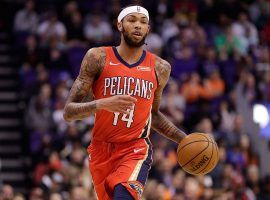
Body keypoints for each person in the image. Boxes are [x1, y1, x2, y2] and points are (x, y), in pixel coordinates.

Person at [63, 5, 186, 200]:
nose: (138, 25)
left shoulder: (160, 67)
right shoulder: (97, 57)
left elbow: (152, 116)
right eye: (132, 20)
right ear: (119, 25)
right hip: (100, 149)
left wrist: (184, 139)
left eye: (143, 22)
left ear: (148, 29)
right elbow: (68, 112)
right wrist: (101, 104)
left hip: (134, 149)